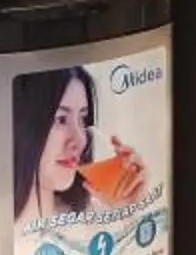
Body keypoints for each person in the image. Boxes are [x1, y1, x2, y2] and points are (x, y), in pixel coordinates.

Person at [12, 67, 143, 224]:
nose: (80, 139)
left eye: (82, 119)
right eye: (61, 119)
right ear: (22, 126)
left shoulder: (91, 220)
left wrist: (125, 211)